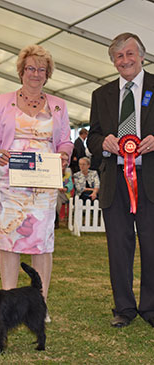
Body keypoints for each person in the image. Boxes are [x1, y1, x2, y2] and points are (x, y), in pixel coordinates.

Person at [0, 44, 73, 322]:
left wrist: (65, 156)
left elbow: (66, 141)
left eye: (41, 69)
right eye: (31, 68)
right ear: (21, 71)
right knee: (9, 241)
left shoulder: (59, 105)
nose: (35, 73)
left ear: (47, 74)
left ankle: (39, 305)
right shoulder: (1, 101)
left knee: (42, 243)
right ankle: (9, 302)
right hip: (10, 181)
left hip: (43, 184)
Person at [87, 32, 154, 328]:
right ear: (113, 62)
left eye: (129, 54)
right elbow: (92, 137)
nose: (125, 60)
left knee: (152, 246)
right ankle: (124, 309)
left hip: (150, 179)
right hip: (115, 182)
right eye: (119, 56)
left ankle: (151, 309)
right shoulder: (101, 95)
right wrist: (105, 142)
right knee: (118, 248)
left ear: (142, 56)